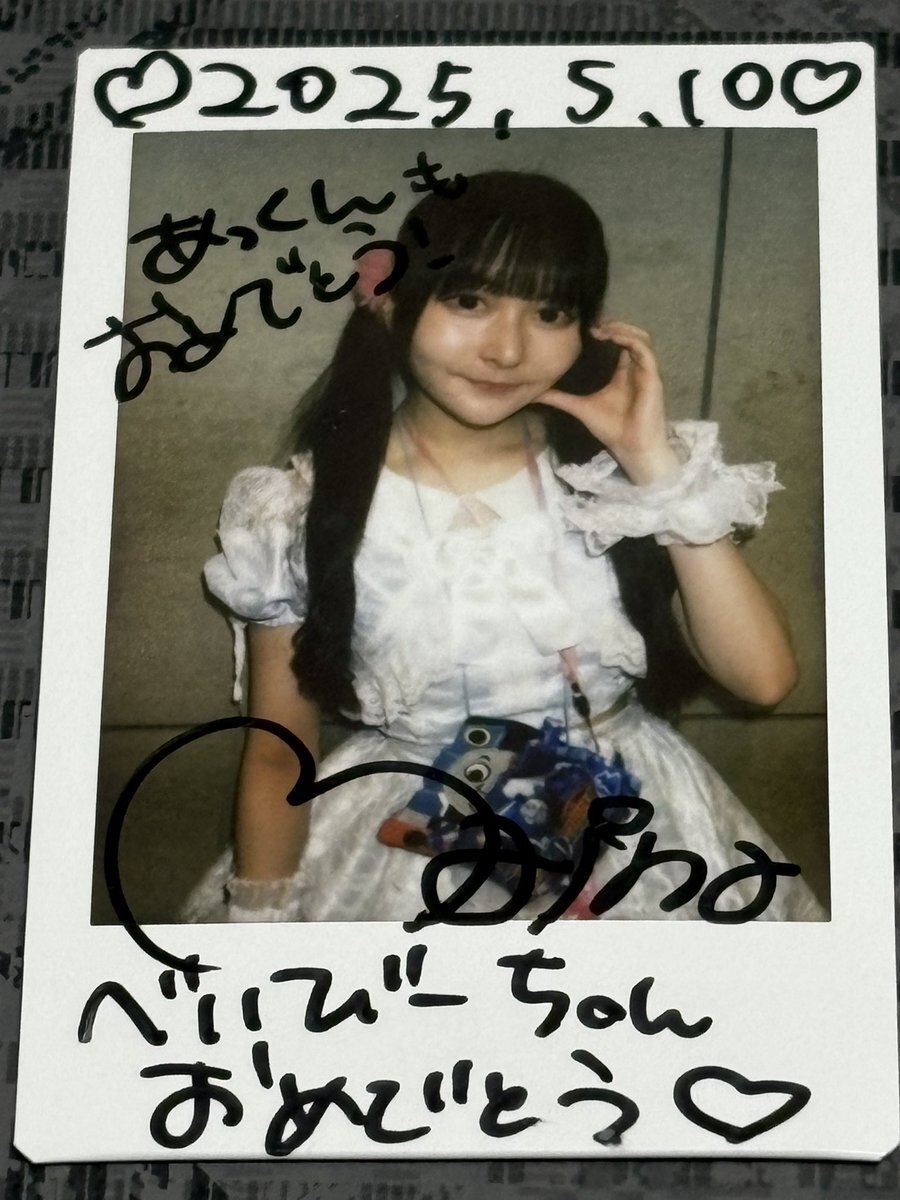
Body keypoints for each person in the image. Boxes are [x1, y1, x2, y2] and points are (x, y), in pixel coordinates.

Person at [185, 170, 825, 925]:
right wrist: (258, 924)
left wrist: (654, 468)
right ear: (389, 300)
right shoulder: (293, 508)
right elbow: (276, 751)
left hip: (632, 821)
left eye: (550, 312)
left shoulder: (621, 476)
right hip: (407, 837)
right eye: (469, 301)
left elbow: (762, 678)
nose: (507, 349)